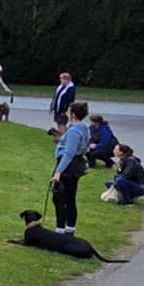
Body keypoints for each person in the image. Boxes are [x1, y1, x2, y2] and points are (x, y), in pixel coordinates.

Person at [52, 101, 91, 235]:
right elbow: (86, 147)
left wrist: (58, 172)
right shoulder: (84, 128)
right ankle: (70, 229)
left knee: (59, 199)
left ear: (73, 114)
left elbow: (69, 153)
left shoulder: (74, 131)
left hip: (68, 166)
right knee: (70, 198)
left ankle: (60, 231)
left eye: (69, 111)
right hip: (76, 165)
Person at [48, 72, 76, 136]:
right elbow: (55, 97)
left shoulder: (70, 88)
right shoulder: (60, 87)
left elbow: (69, 101)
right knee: (58, 123)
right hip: (58, 109)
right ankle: (61, 136)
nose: (61, 80)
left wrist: (65, 110)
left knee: (62, 123)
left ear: (67, 80)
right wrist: (52, 107)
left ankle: (64, 137)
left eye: (62, 79)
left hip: (63, 110)